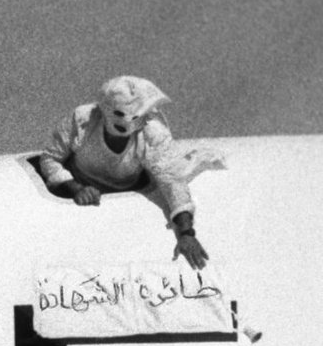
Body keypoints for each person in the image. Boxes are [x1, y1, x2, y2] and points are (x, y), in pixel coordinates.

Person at [38, 76, 224, 270]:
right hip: (77, 186)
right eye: (118, 113)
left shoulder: (153, 133)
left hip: (129, 188)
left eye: (135, 117)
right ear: (104, 108)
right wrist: (75, 188)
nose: (125, 122)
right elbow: (50, 158)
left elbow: (171, 179)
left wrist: (186, 233)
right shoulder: (82, 119)